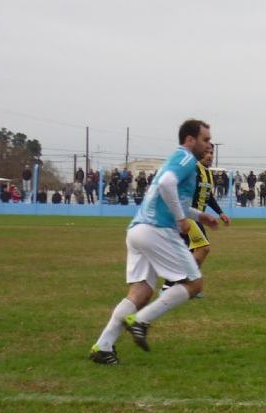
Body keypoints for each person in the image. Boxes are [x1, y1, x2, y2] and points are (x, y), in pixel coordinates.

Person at [89, 119, 220, 365]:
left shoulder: (178, 161)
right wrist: (181, 220)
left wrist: (197, 215)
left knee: (141, 292)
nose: (208, 144)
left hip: (138, 230)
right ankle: (141, 320)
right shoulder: (185, 159)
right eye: (205, 140)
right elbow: (166, 184)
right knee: (195, 283)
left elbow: (171, 194)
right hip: (158, 230)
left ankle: (103, 346)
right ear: (190, 140)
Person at [160, 144, 231, 296]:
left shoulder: (208, 173)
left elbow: (208, 196)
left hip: (197, 218)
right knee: (203, 248)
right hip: (188, 216)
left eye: (212, 152)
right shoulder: (193, 169)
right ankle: (178, 285)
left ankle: (176, 285)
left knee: (188, 252)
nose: (210, 155)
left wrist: (220, 212)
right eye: (207, 152)